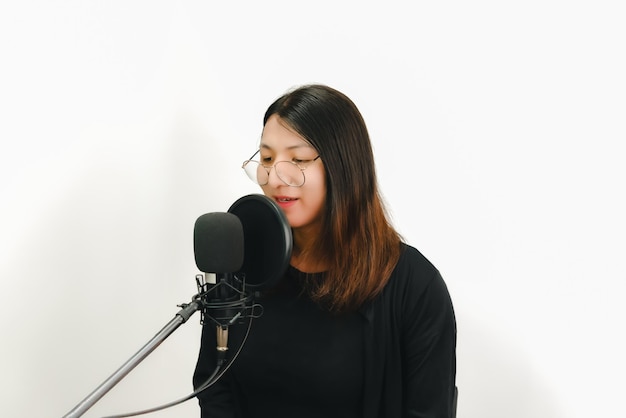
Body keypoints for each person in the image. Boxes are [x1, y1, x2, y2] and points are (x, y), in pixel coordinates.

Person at [193, 84, 457, 418]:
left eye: (299, 159)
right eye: (267, 159)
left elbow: (429, 409)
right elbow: (215, 386)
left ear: (343, 167)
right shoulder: (243, 266)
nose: (275, 177)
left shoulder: (414, 285)